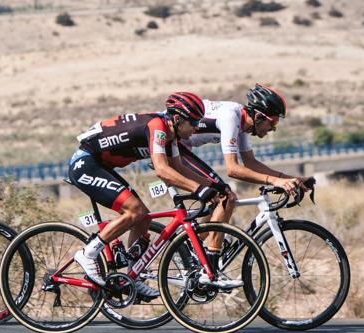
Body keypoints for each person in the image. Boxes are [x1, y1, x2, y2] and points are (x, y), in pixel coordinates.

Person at [68, 91, 241, 299]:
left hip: (101, 165)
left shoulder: (171, 135)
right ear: (177, 119)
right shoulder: (158, 127)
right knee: (135, 210)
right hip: (85, 164)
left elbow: (179, 168)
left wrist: (215, 187)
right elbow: (162, 170)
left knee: (143, 218)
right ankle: (88, 253)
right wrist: (198, 189)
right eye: (193, 122)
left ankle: (134, 276)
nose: (196, 128)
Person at [177, 84, 313, 255]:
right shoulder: (230, 118)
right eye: (272, 123)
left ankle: (191, 249)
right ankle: (210, 262)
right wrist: (276, 181)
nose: (272, 129)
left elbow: (250, 163)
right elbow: (233, 169)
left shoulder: (243, 124)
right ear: (258, 116)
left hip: (182, 150)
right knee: (226, 197)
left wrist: (290, 179)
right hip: (173, 149)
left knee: (219, 196)